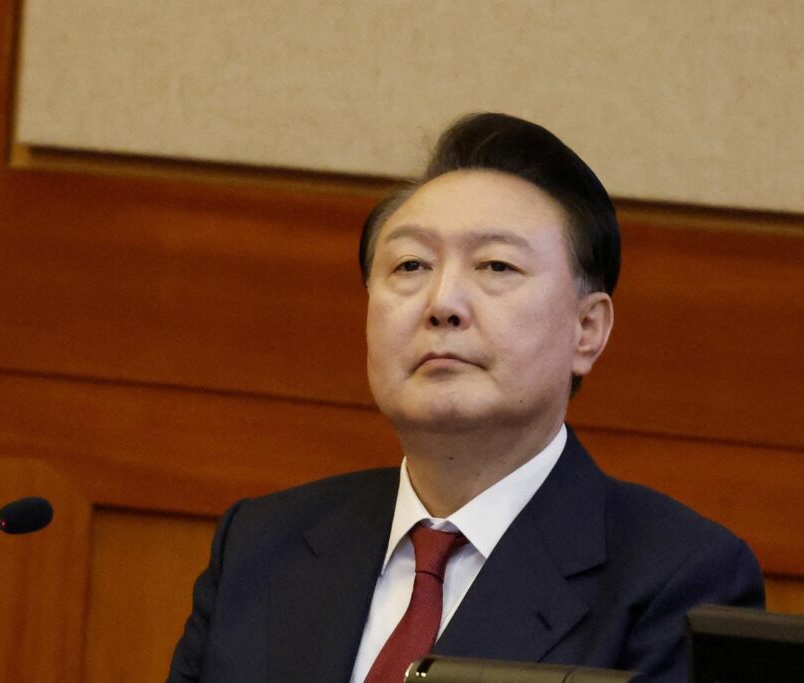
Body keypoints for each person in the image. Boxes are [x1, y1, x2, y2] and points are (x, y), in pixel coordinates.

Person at [167, 113, 764, 683]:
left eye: (496, 266)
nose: (442, 303)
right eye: (411, 265)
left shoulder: (678, 579)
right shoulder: (261, 543)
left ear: (587, 330)